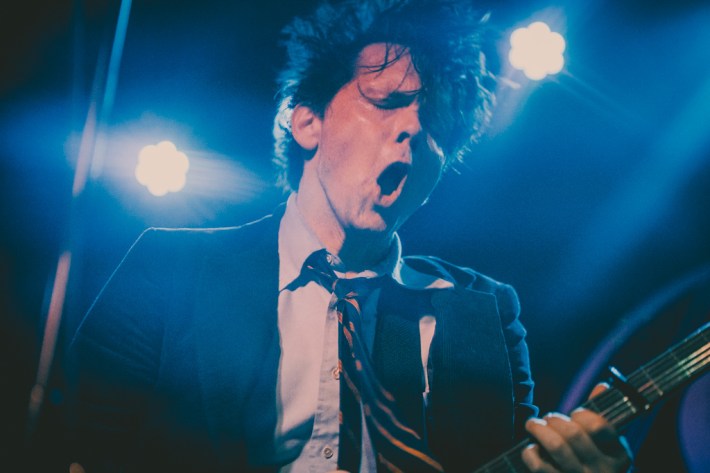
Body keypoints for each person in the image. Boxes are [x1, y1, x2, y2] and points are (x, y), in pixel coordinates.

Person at [66, 0, 632, 472]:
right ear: (307, 121)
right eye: (388, 101)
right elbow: (70, 448)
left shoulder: (484, 311)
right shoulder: (167, 269)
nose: (414, 128)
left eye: (436, 124)